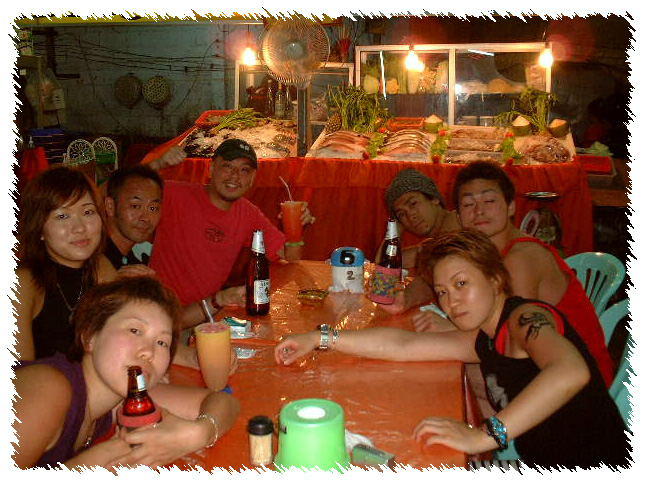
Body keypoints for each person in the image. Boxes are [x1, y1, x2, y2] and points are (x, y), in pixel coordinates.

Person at [274, 230, 630, 470]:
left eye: (461, 284)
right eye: (442, 291)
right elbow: (402, 345)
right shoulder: (484, 337)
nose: (450, 301)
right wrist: (320, 338)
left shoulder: (524, 319)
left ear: (495, 279)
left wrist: (484, 434)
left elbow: (571, 371)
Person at [12, 276, 239, 470]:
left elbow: (223, 401)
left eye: (162, 342)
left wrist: (198, 433)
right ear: (90, 336)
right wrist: (94, 461)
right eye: (135, 330)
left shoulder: (119, 396)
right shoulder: (47, 388)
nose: (149, 352)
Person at [449, 161, 614, 387]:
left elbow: (509, 341)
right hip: (547, 369)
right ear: (459, 217)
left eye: (489, 201)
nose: (479, 211)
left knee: (459, 379)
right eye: (468, 204)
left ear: (511, 207)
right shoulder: (489, 255)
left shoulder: (521, 258)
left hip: (580, 385)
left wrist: (447, 328)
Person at [147, 140, 315, 330]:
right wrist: (158, 163)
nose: (235, 176)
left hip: (207, 316)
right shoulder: (175, 195)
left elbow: (290, 256)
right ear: (211, 169)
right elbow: (125, 189)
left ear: (252, 179)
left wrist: (296, 228)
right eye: (227, 166)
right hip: (158, 317)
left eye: (244, 170)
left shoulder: (248, 214)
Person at [14, 166, 117, 360]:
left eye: (88, 212)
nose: (79, 228)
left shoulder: (100, 268)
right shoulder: (22, 284)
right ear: (39, 228)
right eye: (62, 216)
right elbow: (19, 372)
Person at [384, 168, 460, 269]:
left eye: (413, 204)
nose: (410, 216)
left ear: (434, 198)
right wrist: (394, 230)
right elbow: (384, 264)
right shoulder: (432, 244)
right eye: (402, 214)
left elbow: (386, 262)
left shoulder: (460, 220)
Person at [103, 164, 163, 276]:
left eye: (153, 208)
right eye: (135, 206)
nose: (145, 218)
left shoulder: (131, 263)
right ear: (110, 206)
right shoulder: (93, 258)